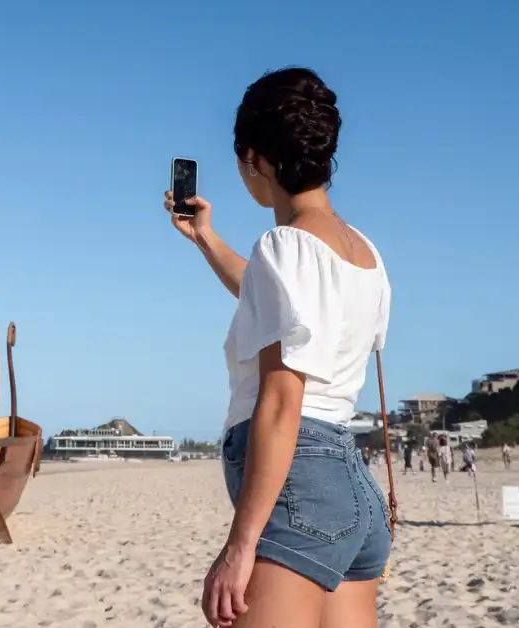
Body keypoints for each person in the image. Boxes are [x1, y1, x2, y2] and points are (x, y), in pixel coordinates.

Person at [168, 67, 392, 627]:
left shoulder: (284, 245)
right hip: (352, 490)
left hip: (300, 483)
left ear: (256, 160)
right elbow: (279, 301)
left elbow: (281, 401)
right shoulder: (363, 253)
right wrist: (206, 239)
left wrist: (238, 547)